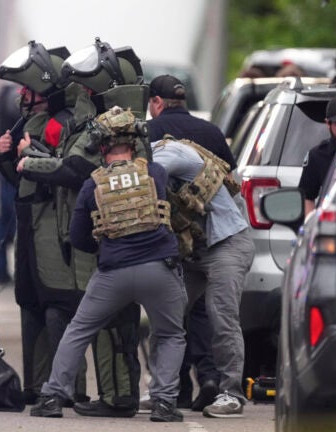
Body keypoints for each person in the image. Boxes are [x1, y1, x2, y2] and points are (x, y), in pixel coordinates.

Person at [30, 106, 187, 423]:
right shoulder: (155, 173)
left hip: (113, 271)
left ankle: (52, 397)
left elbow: (79, 236)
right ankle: (163, 404)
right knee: (170, 334)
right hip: (159, 268)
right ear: (134, 143)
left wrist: (103, 247)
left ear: (100, 147)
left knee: (78, 330)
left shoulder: (93, 183)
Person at [18, 38, 149, 418]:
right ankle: (116, 395)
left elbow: (76, 169)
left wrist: (30, 160)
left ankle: (116, 397)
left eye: (86, 87)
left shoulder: (110, 126)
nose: (80, 93)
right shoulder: (124, 124)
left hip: (110, 238)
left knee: (107, 319)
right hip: (119, 236)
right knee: (107, 318)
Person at [0, 41, 87, 405]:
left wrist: (28, 155)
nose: (22, 96)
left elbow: (68, 173)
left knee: (58, 305)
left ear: (45, 93)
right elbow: (24, 183)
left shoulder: (66, 124)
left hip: (55, 230)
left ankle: (67, 388)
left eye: (28, 90)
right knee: (29, 302)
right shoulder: (32, 124)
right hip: (31, 227)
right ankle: (36, 386)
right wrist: (4, 159)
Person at [145, 74, 238, 411]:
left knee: (169, 315)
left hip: (175, 240)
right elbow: (231, 178)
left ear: (156, 102)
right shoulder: (210, 131)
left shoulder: (151, 134)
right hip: (213, 235)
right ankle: (210, 378)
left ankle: (175, 387)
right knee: (207, 314)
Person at [150, 131, 254, 418]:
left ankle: (231, 393)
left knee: (221, 315)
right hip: (193, 250)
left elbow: (153, 175)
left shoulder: (170, 152)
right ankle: (160, 390)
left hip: (227, 243)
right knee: (166, 313)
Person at [298, 94, 336, 215]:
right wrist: (310, 223)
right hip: (330, 219)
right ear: (328, 123)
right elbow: (307, 197)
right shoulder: (317, 156)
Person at [0, 84, 20, 284]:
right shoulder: (13, 94)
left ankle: (1, 271)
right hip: (10, 162)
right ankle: (5, 271)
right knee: (16, 219)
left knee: (4, 221)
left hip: (5, 161)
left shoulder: (6, 92)